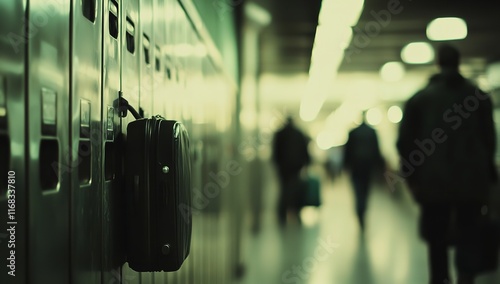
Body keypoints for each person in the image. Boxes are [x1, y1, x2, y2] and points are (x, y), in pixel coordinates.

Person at [396, 44, 497, 284]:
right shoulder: (478, 97)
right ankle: (465, 278)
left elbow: (405, 144)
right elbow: (489, 140)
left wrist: (412, 178)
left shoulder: (419, 100)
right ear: (459, 62)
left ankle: (440, 279)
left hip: (433, 185)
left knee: (437, 240)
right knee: (470, 235)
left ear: (438, 64)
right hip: (472, 185)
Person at [343, 111, 384, 231]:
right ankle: (363, 210)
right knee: (365, 190)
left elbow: (347, 151)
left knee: (357, 190)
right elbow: (377, 150)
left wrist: (346, 166)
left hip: (355, 166)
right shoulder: (372, 132)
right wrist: (379, 167)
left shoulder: (353, 133)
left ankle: (359, 210)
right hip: (368, 167)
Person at [272, 116, 311, 226]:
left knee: (284, 189)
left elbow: (276, 152)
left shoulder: (280, 133)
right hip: (295, 167)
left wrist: (277, 164)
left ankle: (282, 214)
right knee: (294, 189)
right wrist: (306, 163)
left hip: (283, 168)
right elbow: (304, 149)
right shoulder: (298, 133)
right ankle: (295, 211)